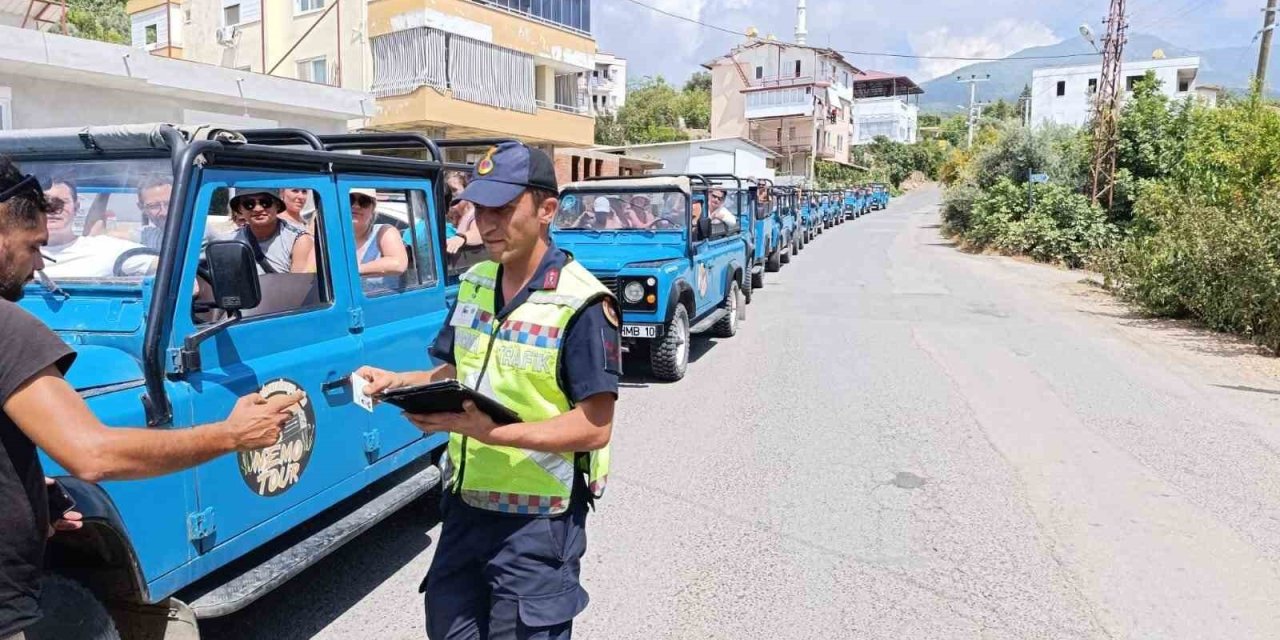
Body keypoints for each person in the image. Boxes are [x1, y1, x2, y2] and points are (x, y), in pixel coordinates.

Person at [0, 158, 304, 640]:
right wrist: (231, 434)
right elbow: (93, 454)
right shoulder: (9, 327)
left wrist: (31, 484)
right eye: (34, 246)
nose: (39, 265)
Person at [356, 142, 618, 640]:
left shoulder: (582, 302)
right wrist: (400, 381)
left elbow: (594, 427)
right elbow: (459, 372)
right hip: (465, 508)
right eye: (479, 207)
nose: (487, 223)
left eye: (503, 209)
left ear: (546, 210)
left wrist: (496, 434)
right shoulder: (476, 281)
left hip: (537, 525)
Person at [42, 179, 155, 278]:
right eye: (44, 203)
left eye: (62, 202)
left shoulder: (106, 249)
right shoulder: (24, 255)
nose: (52, 208)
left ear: (76, 207)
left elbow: (162, 265)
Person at [229, 187, 315, 274]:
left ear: (277, 205)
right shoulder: (230, 241)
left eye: (265, 202)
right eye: (249, 204)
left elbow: (300, 284)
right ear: (240, 209)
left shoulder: (299, 240)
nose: (258, 209)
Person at [349, 188, 408, 291]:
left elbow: (398, 264)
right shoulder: (334, 240)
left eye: (364, 201)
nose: (356, 206)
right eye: (350, 200)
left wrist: (353, 270)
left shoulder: (384, 231)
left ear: (372, 209)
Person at [137, 175, 173, 251]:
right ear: (141, 208)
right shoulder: (150, 235)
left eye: (169, 204)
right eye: (154, 206)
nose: (164, 212)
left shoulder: (198, 232)